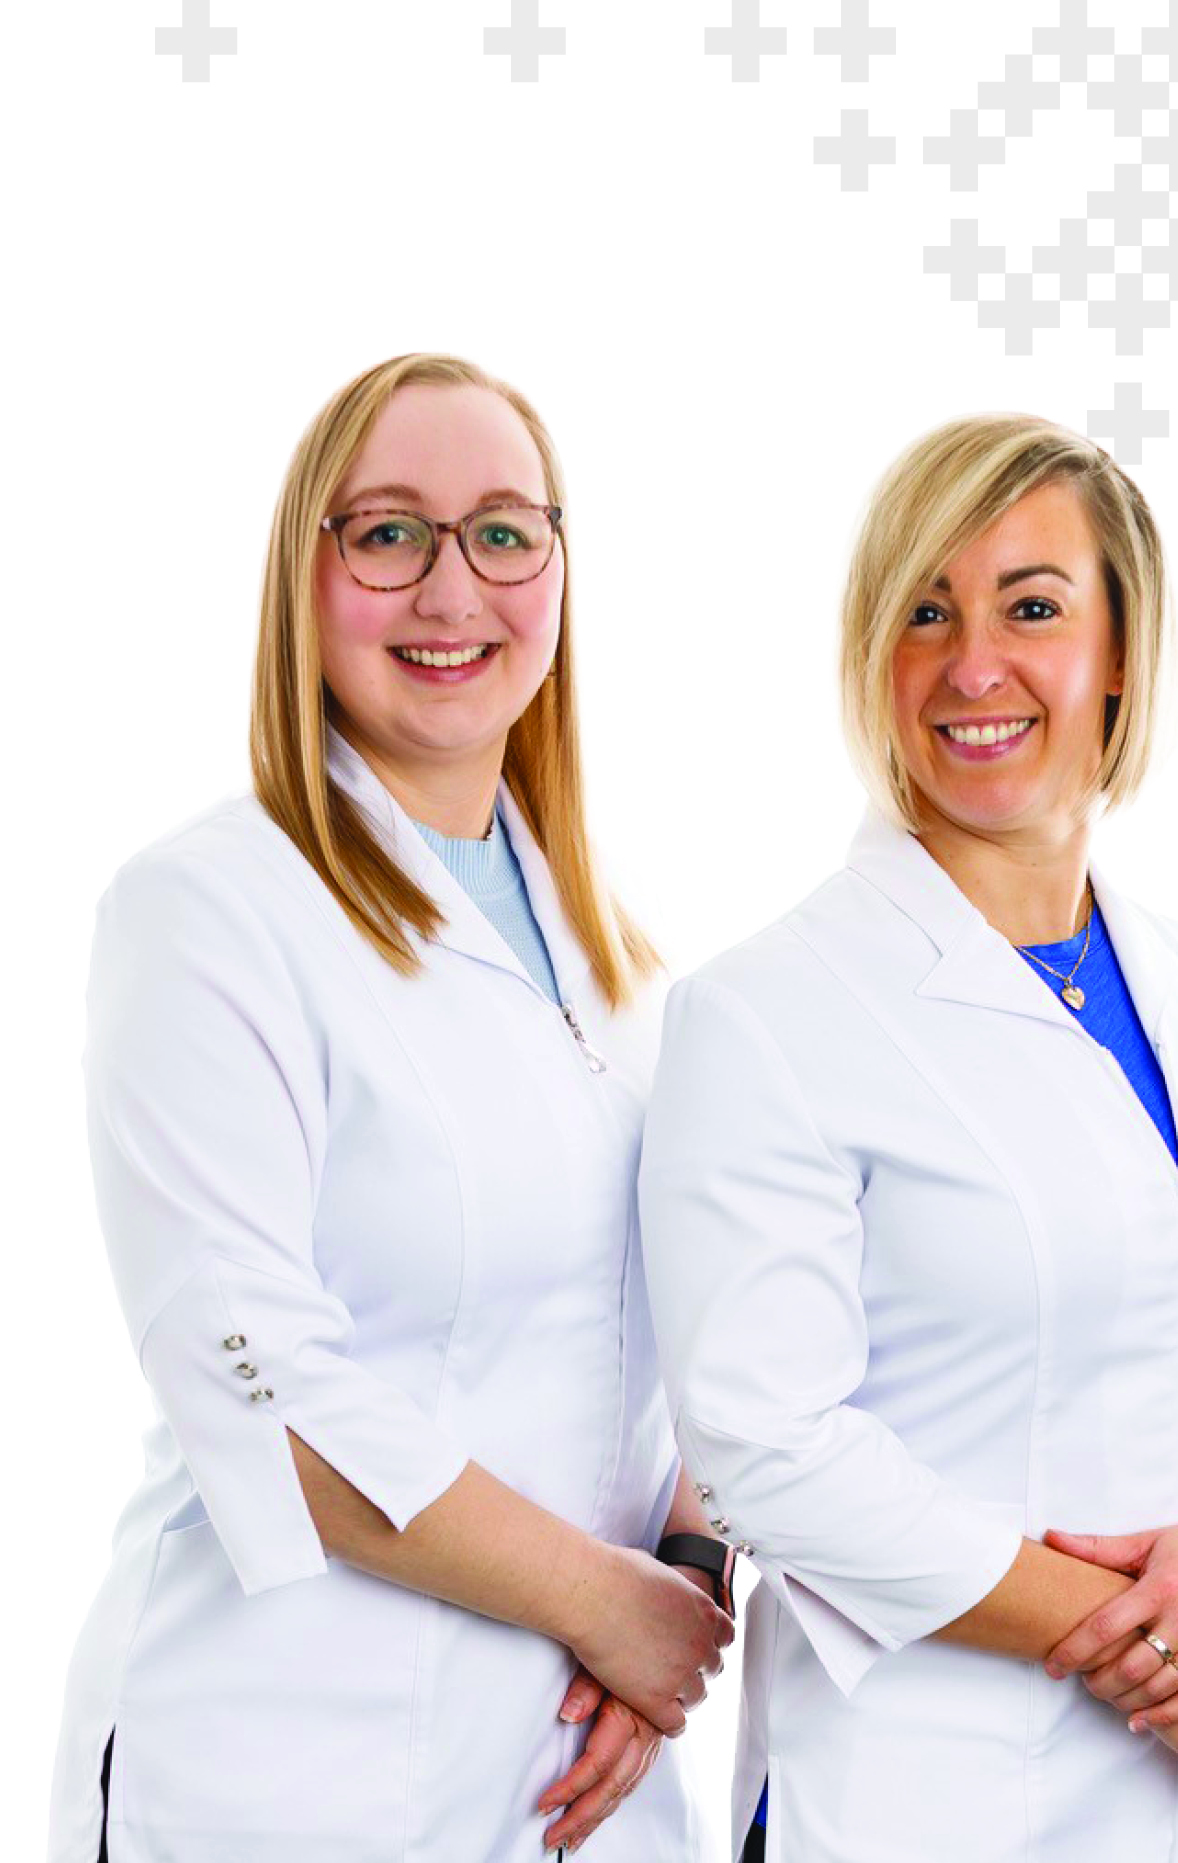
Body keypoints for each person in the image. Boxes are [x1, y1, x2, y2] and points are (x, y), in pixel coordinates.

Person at [47, 352, 733, 1863]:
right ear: (306, 575)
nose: (450, 588)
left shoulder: (624, 968)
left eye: (503, 532)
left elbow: (711, 1320)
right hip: (290, 1765)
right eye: (388, 533)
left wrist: (686, 1569)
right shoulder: (206, 914)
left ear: (558, 570)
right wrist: (610, 1606)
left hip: (576, 1784)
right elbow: (264, 1392)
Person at [637, 414, 1178, 1862]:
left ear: (1121, 651)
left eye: (1032, 607)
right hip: (917, 1802)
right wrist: (1161, 1639)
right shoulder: (767, 1011)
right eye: (924, 614)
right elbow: (768, 1447)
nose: (972, 667)